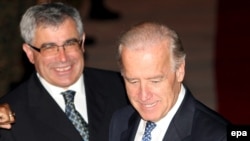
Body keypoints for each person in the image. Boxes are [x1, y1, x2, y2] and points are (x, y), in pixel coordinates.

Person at [0, 2, 128, 141]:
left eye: (70, 43)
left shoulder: (122, 88)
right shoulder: (9, 118)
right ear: (30, 53)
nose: (63, 57)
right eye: (49, 47)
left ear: (82, 43)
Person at [109, 22, 230, 141]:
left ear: (179, 71)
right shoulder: (120, 120)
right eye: (133, 81)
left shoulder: (219, 135)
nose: (144, 95)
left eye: (155, 81)